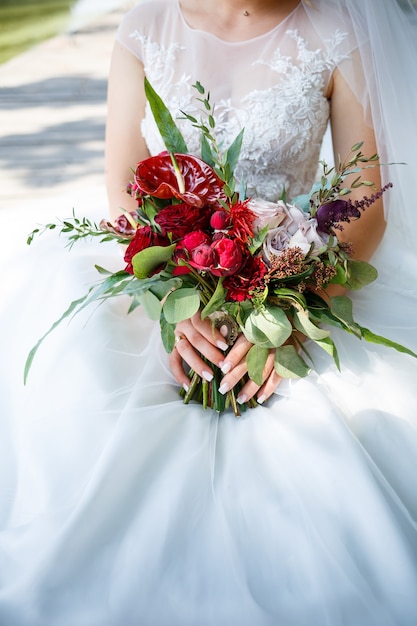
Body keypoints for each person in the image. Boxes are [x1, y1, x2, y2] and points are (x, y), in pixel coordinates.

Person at [1, 1, 417, 624]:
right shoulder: (147, 24)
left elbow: (366, 201)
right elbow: (122, 187)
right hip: (171, 277)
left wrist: (288, 315)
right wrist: (173, 299)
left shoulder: (335, 31)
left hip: (291, 276)